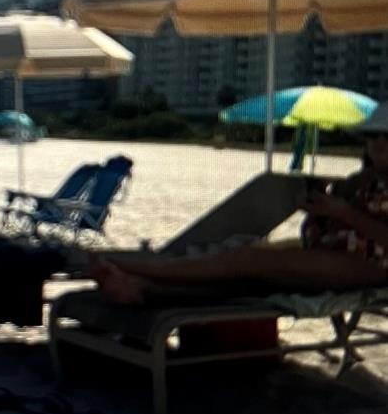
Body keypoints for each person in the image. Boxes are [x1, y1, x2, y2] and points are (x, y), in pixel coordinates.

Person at [89, 102, 388, 305]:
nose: (378, 143)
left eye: (386, 136)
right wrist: (321, 210)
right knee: (251, 276)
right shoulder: (359, 181)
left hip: (374, 266)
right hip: (335, 256)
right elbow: (328, 228)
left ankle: (136, 267)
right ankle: (143, 288)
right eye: (372, 135)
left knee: (250, 260)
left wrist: (343, 212)